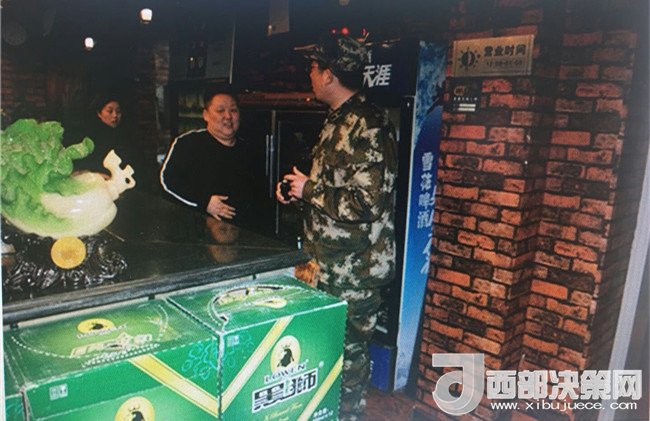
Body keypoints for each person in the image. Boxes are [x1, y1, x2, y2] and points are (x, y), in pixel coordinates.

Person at [276, 34, 398, 421]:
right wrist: (299, 193)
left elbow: (368, 203)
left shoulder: (369, 124)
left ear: (329, 74)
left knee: (348, 359)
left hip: (355, 270)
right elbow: (336, 190)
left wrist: (309, 189)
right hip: (325, 264)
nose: (310, 75)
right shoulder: (339, 119)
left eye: (313, 68)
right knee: (325, 353)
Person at [160, 89, 254, 226]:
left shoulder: (248, 149)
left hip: (241, 230)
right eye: (220, 110)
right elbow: (168, 182)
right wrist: (205, 202)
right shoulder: (188, 143)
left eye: (233, 110)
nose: (228, 116)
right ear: (206, 115)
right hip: (196, 228)